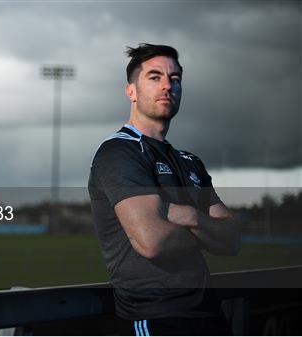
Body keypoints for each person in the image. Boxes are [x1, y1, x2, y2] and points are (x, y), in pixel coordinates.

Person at [88, 43, 241, 336]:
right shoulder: (120, 153)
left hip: (208, 314)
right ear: (131, 91)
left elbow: (233, 240)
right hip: (157, 317)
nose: (167, 86)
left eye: (175, 78)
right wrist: (208, 232)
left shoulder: (190, 162)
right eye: (154, 77)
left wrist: (192, 217)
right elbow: (151, 241)